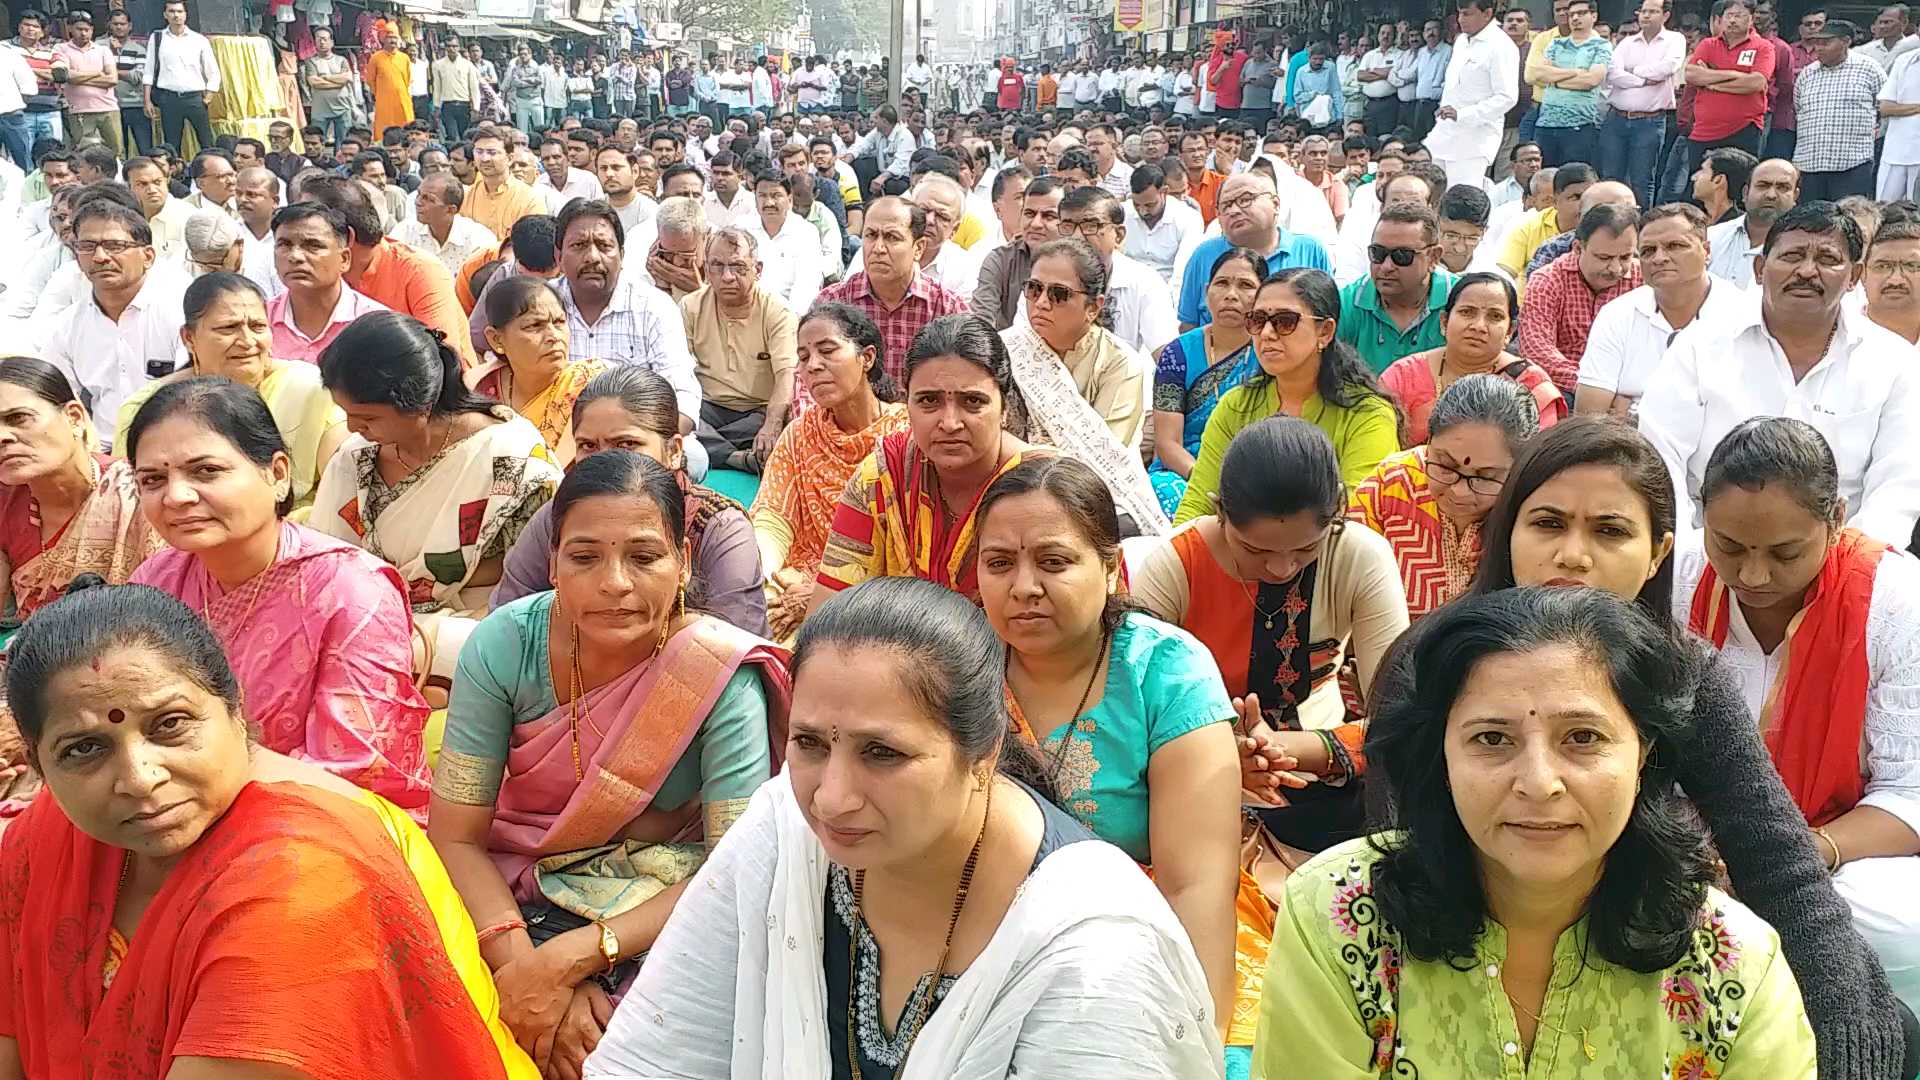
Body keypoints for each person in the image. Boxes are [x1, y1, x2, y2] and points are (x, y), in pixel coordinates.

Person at [1369, 416, 1909, 1078]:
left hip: (1642, 950)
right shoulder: (1428, 665)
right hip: (1454, 953)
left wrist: (1845, 1033)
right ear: (1506, 533)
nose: (1572, 554)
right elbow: (1404, 861)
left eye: (1609, 531)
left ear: (1658, 554)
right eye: (1547, 524)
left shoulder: (1684, 676)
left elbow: (1781, 866)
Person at [582, 575, 1222, 1079]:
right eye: (807, 743)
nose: (831, 799)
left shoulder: (1097, 960)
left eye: (882, 753)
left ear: (984, 753)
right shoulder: (784, 832)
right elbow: (654, 1059)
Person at [1253, 585, 1819, 1076]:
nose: (1539, 782)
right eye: (1492, 740)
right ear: (1441, 756)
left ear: (1643, 752)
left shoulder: (1731, 964)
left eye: (1583, 738)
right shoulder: (1340, 917)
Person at [0, 582, 523, 1078]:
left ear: (235, 707)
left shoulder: (307, 882)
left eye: (171, 724)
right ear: (39, 765)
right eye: (85, 749)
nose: (139, 779)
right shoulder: (53, 832)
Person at [430, 447, 786, 1076]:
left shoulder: (718, 675)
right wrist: (523, 971)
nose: (614, 583)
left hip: (661, 915)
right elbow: (457, 835)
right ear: (553, 563)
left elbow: (732, 869)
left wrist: (575, 958)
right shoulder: (505, 643)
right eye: (585, 557)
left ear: (681, 563)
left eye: (645, 557)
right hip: (514, 892)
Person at [972, 456, 1244, 1069]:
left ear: (1112, 567)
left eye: (1054, 562)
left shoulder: (1165, 672)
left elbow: (1195, 883)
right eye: (999, 564)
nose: (1023, 587)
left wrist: (1193, 1044)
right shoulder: (958, 668)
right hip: (979, 937)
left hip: (1140, 939)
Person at [1670, 417, 1920, 1012]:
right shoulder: (1673, 582)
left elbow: (1909, 795)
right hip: (1689, 849)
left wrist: (1800, 854)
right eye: (1728, 546)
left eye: (1785, 552)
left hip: (1837, 854)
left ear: (1836, 519)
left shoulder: (1897, 600)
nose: (1753, 576)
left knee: (1902, 929)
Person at [123, 374, 430, 813]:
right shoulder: (156, 583)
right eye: (152, 480)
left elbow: (357, 768)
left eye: (205, 471)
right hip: (172, 808)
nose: (176, 496)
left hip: (323, 822)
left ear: (278, 474)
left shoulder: (350, 591)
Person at [1132, 416, 1410, 853]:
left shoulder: (1361, 556)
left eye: (1305, 550)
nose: (1282, 568)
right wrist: (1222, 754)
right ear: (1219, 512)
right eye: (1255, 551)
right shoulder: (1175, 567)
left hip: (1323, 772)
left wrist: (1287, 747)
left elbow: (1400, 717)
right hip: (1187, 772)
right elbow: (1136, 709)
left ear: (1337, 510)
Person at [310, 312, 561, 703]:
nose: (354, 428)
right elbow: (325, 569)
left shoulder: (510, 457)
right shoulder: (354, 458)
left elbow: (535, 589)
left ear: (421, 405)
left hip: (475, 626)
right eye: (347, 416)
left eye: (369, 417)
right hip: (365, 623)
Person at [1642, 202, 1920, 547]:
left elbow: (1899, 484)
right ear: (1760, 268)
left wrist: (1848, 568)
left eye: (1827, 259)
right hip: (1706, 553)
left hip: (1842, 561)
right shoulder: (1699, 347)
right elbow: (1660, 459)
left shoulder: (1893, 361)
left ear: (1855, 277)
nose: (1806, 271)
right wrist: (1695, 558)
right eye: (1792, 256)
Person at [489, 365, 765, 636]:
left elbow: (736, 652)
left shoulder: (718, 527)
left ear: (674, 451)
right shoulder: (557, 517)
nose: (606, 461)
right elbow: (504, 625)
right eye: (588, 446)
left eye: (626, 445)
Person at [813, 314, 1040, 608]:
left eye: (972, 401)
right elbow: (828, 610)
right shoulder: (882, 479)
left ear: (1005, 408)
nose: (949, 423)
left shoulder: (1044, 491)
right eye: (929, 401)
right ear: (906, 405)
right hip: (898, 648)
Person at [1174, 268, 1398, 524]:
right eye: (1258, 320)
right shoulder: (1236, 406)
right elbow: (1198, 503)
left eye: (1285, 321)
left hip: (1334, 553)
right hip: (1240, 553)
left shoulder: (1367, 413)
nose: (1267, 333)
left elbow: (1356, 517)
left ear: (1325, 331)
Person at [111, 272, 344, 512]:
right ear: (189, 338)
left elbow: (346, 480)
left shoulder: (310, 389)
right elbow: (131, 503)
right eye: (228, 328)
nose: (247, 341)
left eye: (257, 326)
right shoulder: (145, 407)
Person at [752, 304, 908, 641]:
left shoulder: (904, 435)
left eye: (827, 351)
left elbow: (904, 546)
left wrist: (825, 591)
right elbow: (773, 516)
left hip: (879, 590)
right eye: (804, 357)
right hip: (796, 577)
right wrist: (758, 571)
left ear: (867, 358)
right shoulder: (800, 433)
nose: (814, 366)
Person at [1000, 237, 1166, 535]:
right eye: (1034, 289)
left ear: (1093, 307)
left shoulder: (1120, 363)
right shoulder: (1004, 350)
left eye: (1059, 294)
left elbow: (1099, 459)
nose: (1041, 303)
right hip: (1005, 483)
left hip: (1086, 493)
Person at [1350, 373, 1540, 618]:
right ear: (1428, 440)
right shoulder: (1389, 485)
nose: (1458, 491)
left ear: (1518, 468)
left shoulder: (1532, 503)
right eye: (1445, 466)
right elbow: (1346, 580)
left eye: (1484, 477)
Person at [0, 357, 162, 627]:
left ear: (74, 417)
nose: (2, 436)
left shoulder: (140, 488)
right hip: (40, 660)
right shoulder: (6, 505)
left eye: (18, 418)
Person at [1577, 203, 1744, 420]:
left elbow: (1741, 413)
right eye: (1647, 251)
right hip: (1630, 450)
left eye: (1675, 246)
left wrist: (1634, 412)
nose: (1659, 258)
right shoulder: (1617, 315)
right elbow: (1589, 418)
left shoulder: (1744, 315)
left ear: (1707, 250)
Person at [41, 200, 188, 444]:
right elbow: (56, 398)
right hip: (101, 451)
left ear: (148, 256)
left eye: (114, 246)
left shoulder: (177, 312)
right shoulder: (69, 325)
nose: (99, 257)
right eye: (87, 246)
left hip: (174, 444)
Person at [551, 200, 700, 437]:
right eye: (578, 245)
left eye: (604, 245)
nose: (592, 257)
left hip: (637, 439)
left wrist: (651, 446)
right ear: (558, 256)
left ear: (621, 254)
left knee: (694, 458)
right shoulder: (541, 305)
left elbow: (683, 395)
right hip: (556, 436)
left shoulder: (654, 305)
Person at [1380, 273, 1564, 447]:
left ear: (1510, 331)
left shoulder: (1530, 385)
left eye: (1495, 316)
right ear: (1444, 321)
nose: (1479, 326)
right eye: (1467, 312)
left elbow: (1536, 461)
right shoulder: (1403, 376)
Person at [1150, 247, 1266, 518]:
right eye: (1222, 283)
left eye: (1246, 285)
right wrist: (1205, 479)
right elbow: (1167, 444)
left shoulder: (1268, 352)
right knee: (1170, 494)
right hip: (1184, 470)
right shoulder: (1177, 354)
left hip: (1253, 470)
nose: (1231, 295)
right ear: (1206, 291)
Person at [816, 197, 972, 384]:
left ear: (918, 248)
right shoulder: (831, 303)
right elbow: (806, 377)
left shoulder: (949, 310)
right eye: (871, 235)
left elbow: (968, 380)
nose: (878, 248)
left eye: (892, 237)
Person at [682, 227, 796, 472]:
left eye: (738, 267)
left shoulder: (777, 311)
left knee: (781, 424)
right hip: (707, 407)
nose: (727, 277)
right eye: (717, 266)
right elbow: (679, 371)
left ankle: (712, 448)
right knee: (674, 416)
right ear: (706, 270)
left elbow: (787, 375)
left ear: (758, 270)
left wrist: (772, 424)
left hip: (757, 411)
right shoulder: (691, 306)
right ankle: (736, 457)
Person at [471, 274, 608, 467]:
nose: (554, 336)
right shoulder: (480, 388)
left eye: (559, 322)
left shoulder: (591, 383)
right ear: (496, 339)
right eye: (534, 326)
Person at [1516, 203, 1643, 398]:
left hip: (1630, 391)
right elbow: (1537, 351)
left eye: (1625, 257)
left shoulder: (1644, 280)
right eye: (1604, 258)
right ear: (1577, 248)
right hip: (1565, 388)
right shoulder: (1548, 280)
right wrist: (1595, 388)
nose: (1616, 268)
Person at [1177, 171, 1332, 330]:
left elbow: (1328, 316)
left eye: (1245, 200)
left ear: (1276, 204)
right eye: (1226, 206)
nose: (1234, 211)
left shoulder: (1309, 250)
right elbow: (1189, 324)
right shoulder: (1204, 255)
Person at [1337, 204, 1457, 374]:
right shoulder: (1346, 303)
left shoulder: (1462, 301)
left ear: (1433, 257)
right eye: (1377, 253)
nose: (1386, 266)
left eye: (1402, 256)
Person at [266, 201, 387, 364]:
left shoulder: (378, 327)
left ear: (344, 259)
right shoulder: (258, 322)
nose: (295, 256)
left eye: (312, 246)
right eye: (284, 245)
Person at [1601, 0, 1686, 207]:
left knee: (1642, 180)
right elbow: (1612, 74)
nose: (1646, 16)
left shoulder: (1675, 39)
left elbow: (1668, 67)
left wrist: (1633, 71)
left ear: (1665, 15)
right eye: (1643, 11)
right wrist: (1644, 79)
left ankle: (1640, 230)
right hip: (1617, 118)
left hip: (1649, 121)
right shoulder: (1627, 43)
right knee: (1611, 178)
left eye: (1653, 11)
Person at [1429, 0, 1521, 190]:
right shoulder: (1461, 40)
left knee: (1460, 196)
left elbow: (1507, 97)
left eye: (1467, 14)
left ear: (1487, 14)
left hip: (1474, 139)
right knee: (1431, 190)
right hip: (1443, 132)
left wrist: (1463, 114)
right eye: (1459, 14)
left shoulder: (1501, 46)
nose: (1461, 20)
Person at [1794, 20, 1885, 202]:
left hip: (1852, 163)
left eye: (1826, 42)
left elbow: (1883, 107)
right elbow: (1798, 109)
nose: (1818, 48)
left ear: (1845, 41)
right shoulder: (1807, 74)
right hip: (1810, 164)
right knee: (1810, 223)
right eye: (1816, 42)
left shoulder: (1869, 68)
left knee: (1849, 220)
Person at [1683, 0, 1774, 170]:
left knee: (1738, 183)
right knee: (1699, 184)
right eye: (1729, 16)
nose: (1732, 21)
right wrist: (1735, 75)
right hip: (1704, 131)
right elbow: (1691, 74)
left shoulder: (1763, 47)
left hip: (1743, 129)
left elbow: (1756, 83)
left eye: (1739, 16)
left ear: (1751, 19)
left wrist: (1712, 83)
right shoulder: (1708, 44)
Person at [1706, 156, 1799, 288]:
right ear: (1745, 193)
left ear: (1795, 196)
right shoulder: (1711, 238)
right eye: (1763, 186)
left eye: (1782, 187)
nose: (1771, 195)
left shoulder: (1803, 249)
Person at [141, 0, 217, 156]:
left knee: (206, 142)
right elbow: (148, 71)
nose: (176, 15)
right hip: (169, 98)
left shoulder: (198, 40)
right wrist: (147, 100)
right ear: (165, 15)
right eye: (172, 11)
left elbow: (212, 71)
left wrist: (208, 97)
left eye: (179, 11)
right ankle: (177, 177)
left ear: (185, 14)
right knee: (172, 145)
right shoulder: (157, 38)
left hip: (195, 98)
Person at [460, 127, 544, 243]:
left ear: (509, 159)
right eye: (479, 152)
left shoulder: (530, 199)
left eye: (492, 152)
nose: (484, 159)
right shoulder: (465, 197)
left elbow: (534, 244)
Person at [1865, 218, 1920, 343]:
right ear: (1861, 274)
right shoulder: (1832, 336)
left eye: (1912, 265)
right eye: (1883, 266)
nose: (1896, 280)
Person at [367, 30, 414, 138]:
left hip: (402, 100)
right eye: (389, 37)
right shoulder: (375, 58)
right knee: (384, 130)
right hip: (384, 101)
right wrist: (381, 94)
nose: (393, 40)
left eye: (395, 37)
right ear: (383, 39)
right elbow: (370, 80)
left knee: (405, 129)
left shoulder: (404, 58)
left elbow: (407, 79)